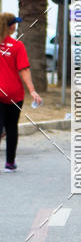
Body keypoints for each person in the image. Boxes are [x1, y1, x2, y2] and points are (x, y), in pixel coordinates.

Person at [0, 13, 42, 171]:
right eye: (14, 24)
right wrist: (32, 91)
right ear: (9, 26)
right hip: (14, 94)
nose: (15, 26)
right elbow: (24, 70)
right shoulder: (17, 46)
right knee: (11, 127)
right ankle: (9, 163)